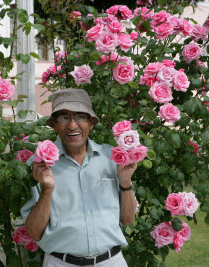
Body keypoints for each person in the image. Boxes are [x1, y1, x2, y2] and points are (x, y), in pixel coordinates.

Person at [21, 88, 137, 266]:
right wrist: (47, 189)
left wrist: (125, 181)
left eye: (80, 116)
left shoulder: (111, 157)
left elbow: (127, 219)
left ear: (91, 122)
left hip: (111, 262)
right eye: (64, 117)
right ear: (54, 124)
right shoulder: (39, 164)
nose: (72, 125)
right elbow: (35, 233)